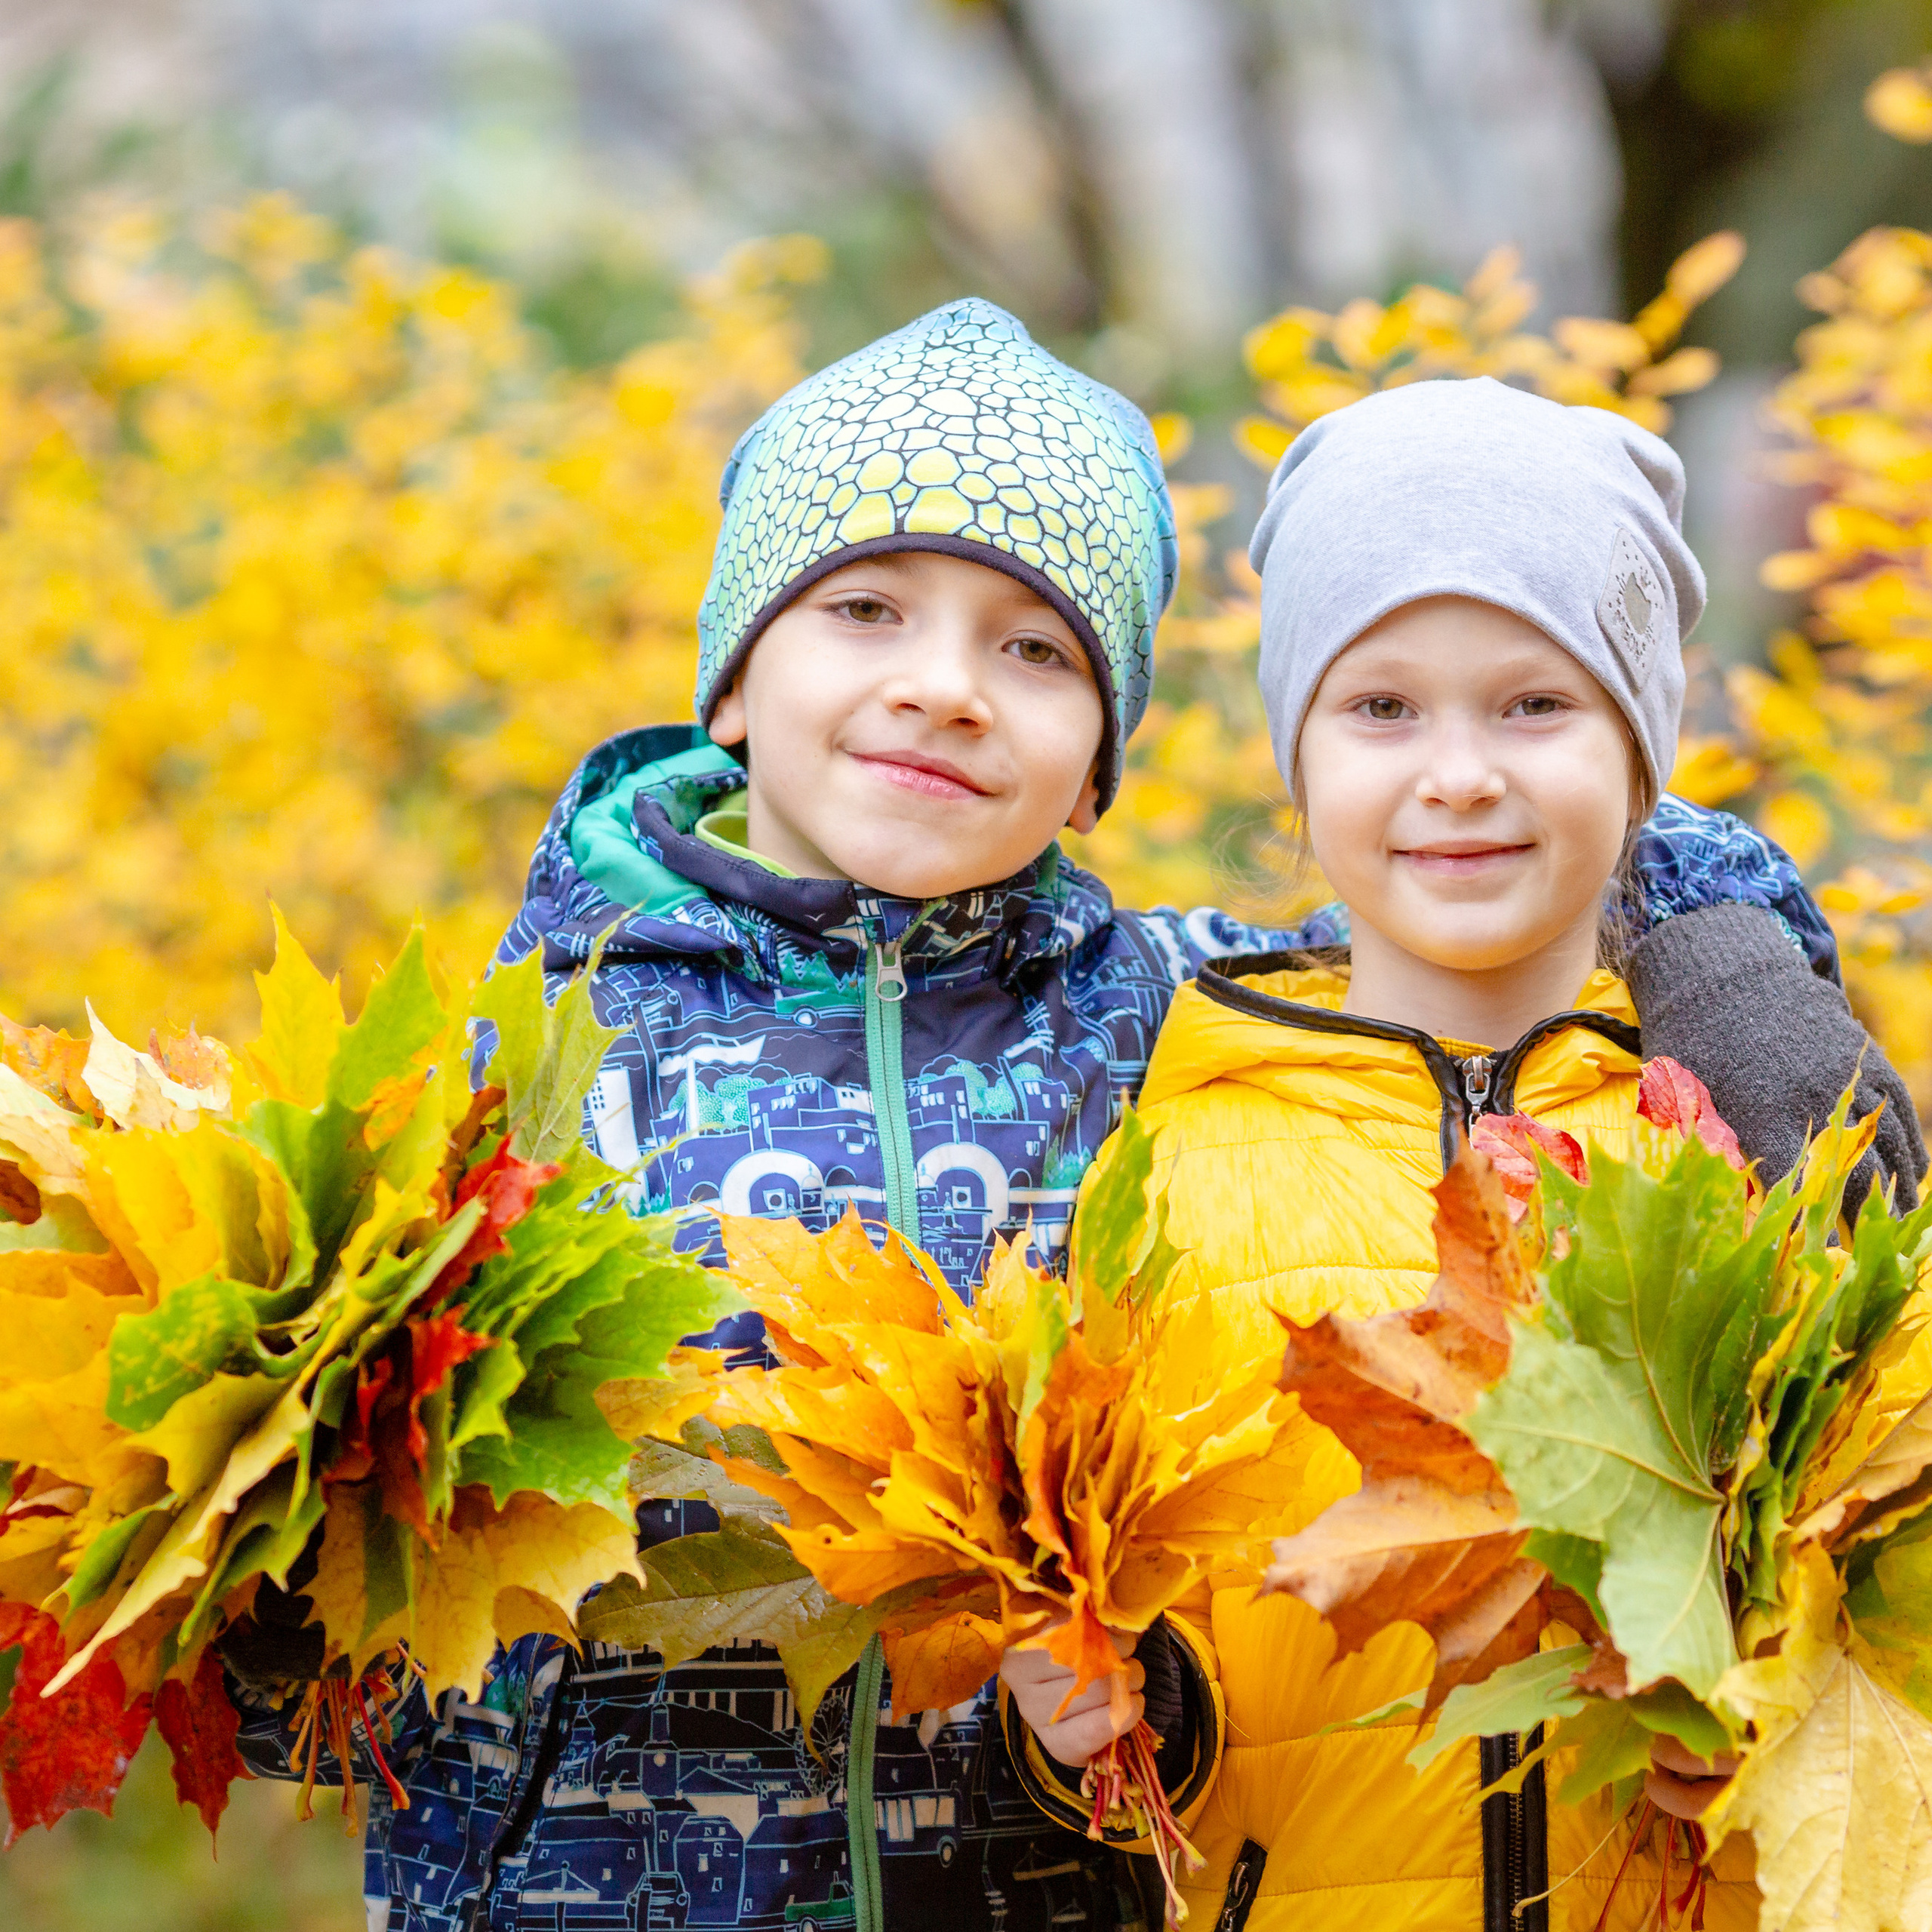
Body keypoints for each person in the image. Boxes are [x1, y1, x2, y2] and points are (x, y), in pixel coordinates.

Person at [226, 312, 1908, 1932]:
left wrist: (1717, 946)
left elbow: (1494, 872)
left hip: (1034, 1879)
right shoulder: (519, 1055)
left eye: (1034, 648)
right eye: (864, 606)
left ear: (1101, 761)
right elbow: (315, 1624)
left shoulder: (1154, 1020)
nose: (946, 687)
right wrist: (266, 1598)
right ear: (731, 682)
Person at [998, 376, 1918, 1930]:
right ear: (1297, 757)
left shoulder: (1735, 1141)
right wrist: (1086, 1715)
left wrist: (1772, 1705)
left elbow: (1879, 1578)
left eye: (1532, 702)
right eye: (1380, 707)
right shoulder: (1171, 1160)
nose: (1458, 772)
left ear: (1640, 756)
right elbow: (1133, 1638)